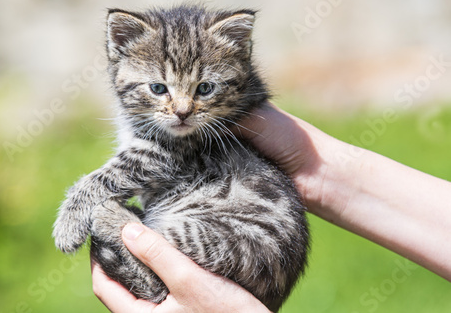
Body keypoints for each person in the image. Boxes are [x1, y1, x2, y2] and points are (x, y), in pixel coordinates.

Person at [91, 102, 451, 313]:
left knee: (108, 226)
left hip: (233, 235)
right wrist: (314, 167)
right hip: (231, 223)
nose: (183, 107)